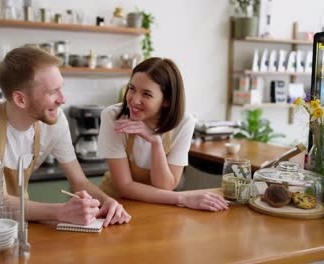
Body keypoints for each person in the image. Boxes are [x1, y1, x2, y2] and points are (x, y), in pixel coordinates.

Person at [0, 47, 131, 227]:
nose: (62, 99)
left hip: (21, 224)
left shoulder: (55, 121)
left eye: (61, 88)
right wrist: (62, 212)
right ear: (20, 100)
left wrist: (107, 202)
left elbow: (79, 181)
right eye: (52, 92)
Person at [98, 57, 229, 212]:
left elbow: (166, 186)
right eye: (132, 88)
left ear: (167, 100)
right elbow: (125, 186)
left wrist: (155, 142)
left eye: (146, 94)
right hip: (115, 205)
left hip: (157, 207)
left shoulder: (184, 122)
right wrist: (184, 198)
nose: (134, 100)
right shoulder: (113, 117)